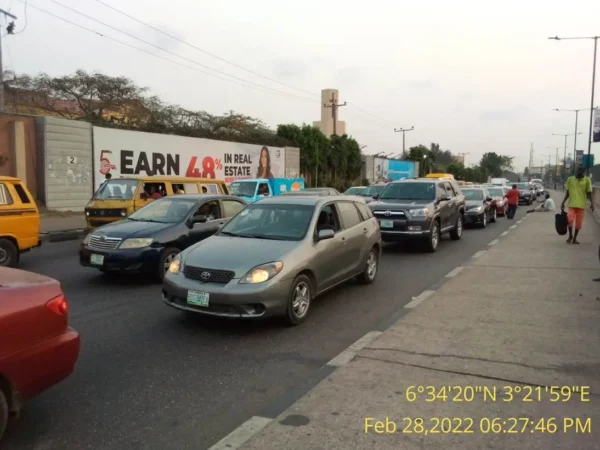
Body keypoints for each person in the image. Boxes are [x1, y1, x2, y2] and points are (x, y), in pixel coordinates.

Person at [561, 165, 594, 244]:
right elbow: (567, 192)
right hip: (572, 204)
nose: (579, 171)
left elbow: (589, 193)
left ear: (583, 171)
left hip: (581, 205)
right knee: (569, 220)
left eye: (581, 170)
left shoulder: (587, 180)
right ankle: (570, 236)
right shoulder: (570, 179)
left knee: (578, 224)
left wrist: (592, 203)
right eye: (578, 169)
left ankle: (575, 238)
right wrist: (563, 202)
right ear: (576, 170)